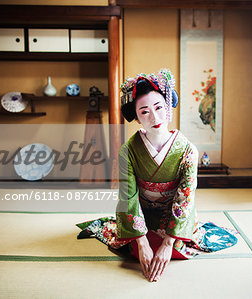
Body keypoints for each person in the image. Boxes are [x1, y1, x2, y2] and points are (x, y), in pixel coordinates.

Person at [76, 69, 238, 282]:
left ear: (168, 106)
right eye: (144, 111)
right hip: (142, 217)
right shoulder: (128, 151)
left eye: (159, 107)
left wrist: (168, 243)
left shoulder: (188, 151)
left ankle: (170, 240)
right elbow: (128, 197)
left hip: (173, 216)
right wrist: (142, 243)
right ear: (136, 117)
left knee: (177, 250)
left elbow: (185, 198)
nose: (154, 117)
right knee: (136, 250)